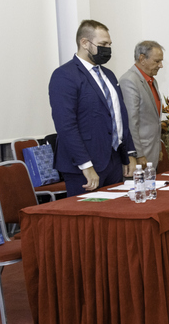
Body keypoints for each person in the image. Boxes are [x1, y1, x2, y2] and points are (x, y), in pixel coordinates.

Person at [49, 20, 137, 197]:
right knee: (88, 214)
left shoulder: (109, 75)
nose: (108, 49)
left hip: (113, 161)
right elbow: (66, 125)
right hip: (84, 165)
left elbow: (120, 116)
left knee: (116, 211)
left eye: (109, 44)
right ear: (84, 43)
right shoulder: (64, 75)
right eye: (103, 44)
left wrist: (129, 153)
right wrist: (86, 165)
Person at [119, 41, 164, 171]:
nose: (160, 65)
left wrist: (158, 149)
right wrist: (137, 154)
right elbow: (131, 122)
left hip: (152, 151)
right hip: (140, 153)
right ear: (142, 58)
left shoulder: (152, 81)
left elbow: (154, 120)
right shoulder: (129, 80)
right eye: (157, 61)